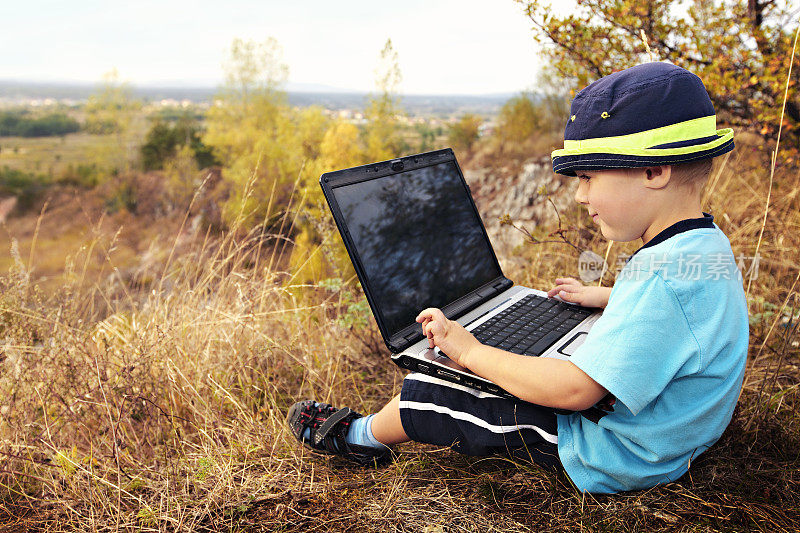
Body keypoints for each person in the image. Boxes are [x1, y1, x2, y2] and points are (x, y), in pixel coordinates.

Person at [286, 62, 749, 493]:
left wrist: (470, 350)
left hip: (621, 451)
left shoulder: (661, 277)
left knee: (434, 390)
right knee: (515, 361)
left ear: (654, 170)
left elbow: (574, 390)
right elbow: (681, 312)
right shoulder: (703, 246)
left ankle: (361, 438)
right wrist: (609, 296)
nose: (580, 197)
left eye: (587, 178)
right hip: (675, 432)